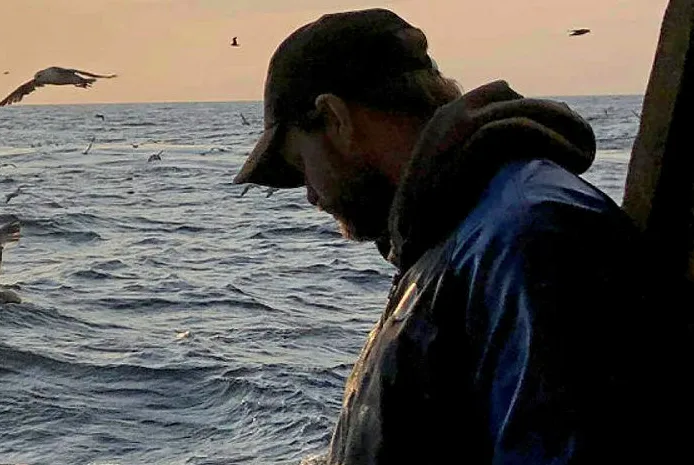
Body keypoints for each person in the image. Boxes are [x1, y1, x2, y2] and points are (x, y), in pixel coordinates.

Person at [233, 8, 675, 465]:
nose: (311, 195)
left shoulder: (532, 236)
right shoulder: (461, 233)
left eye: (302, 164)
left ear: (336, 118)